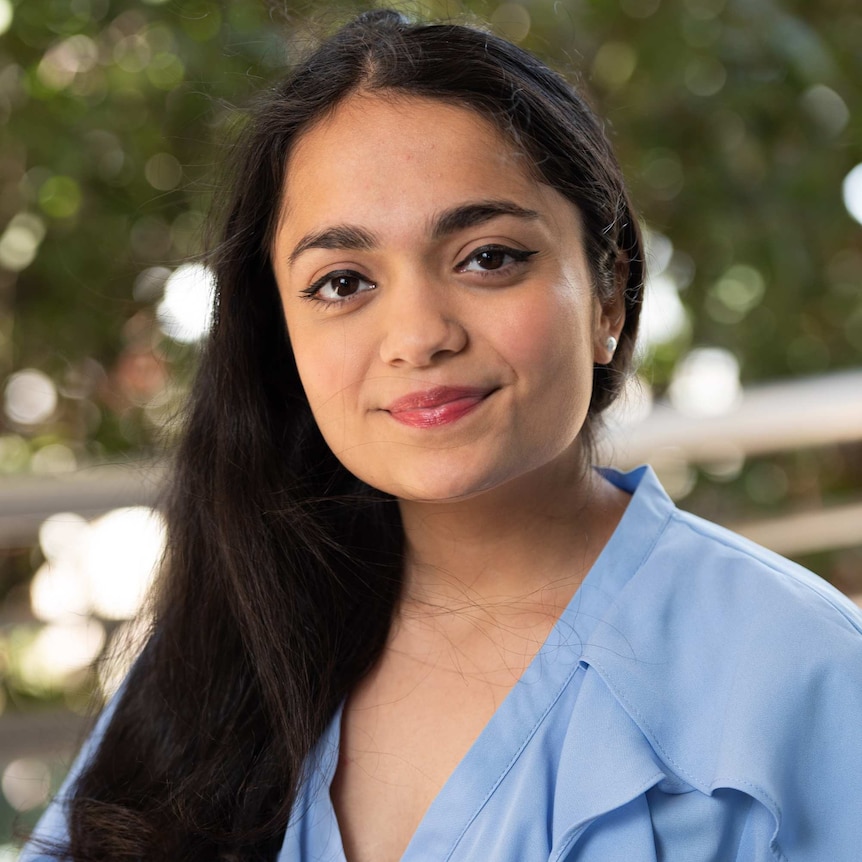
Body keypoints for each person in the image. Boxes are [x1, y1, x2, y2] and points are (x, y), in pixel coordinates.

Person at [22, 9, 862, 862]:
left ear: (609, 295)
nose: (419, 334)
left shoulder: (806, 675)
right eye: (343, 281)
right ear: (281, 339)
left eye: (488, 257)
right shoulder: (221, 648)